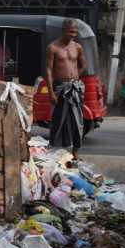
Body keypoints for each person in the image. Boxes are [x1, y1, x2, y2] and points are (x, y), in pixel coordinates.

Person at [46, 18, 86, 161]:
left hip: (75, 88)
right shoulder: (53, 47)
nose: (73, 34)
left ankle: (75, 151)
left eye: (75, 32)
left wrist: (73, 79)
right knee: (59, 119)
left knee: (77, 119)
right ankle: (57, 152)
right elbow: (49, 70)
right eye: (70, 32)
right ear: (63, 30)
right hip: (60, 88)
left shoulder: (77, 47)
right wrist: (51, 91)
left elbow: (83, 66)